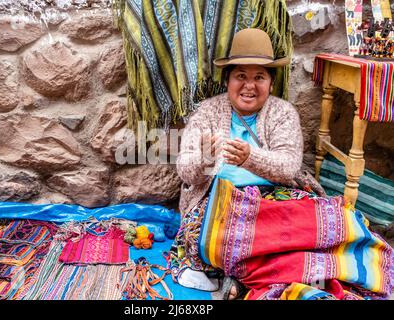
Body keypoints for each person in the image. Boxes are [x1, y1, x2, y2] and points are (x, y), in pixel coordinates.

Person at [168, 28, 393, 300]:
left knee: (335, 221)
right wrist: (204, 158)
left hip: (277, 196)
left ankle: (243, 278)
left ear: (271, 83)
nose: (249, 85)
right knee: (208, 232)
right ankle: (287, 274)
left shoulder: (282, 113)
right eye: (241, 76)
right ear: (228, 80)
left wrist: (249, 157)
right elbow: (186, 171)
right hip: (224, 201)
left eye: (259, 77)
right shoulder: (207, 113)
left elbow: (288, 166)